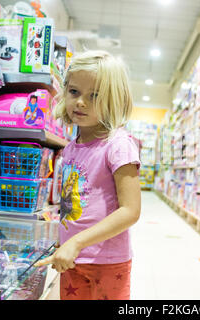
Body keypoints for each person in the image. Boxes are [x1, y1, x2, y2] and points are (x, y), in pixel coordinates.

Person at [35, 50, 141, 300]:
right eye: (74, 92)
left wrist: (77, 242)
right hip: (71, 258)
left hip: (106, 263)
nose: (80, 102)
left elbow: (130, 211)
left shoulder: (118, 145)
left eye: (94, 96)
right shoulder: (71, 147)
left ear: (114, 99)